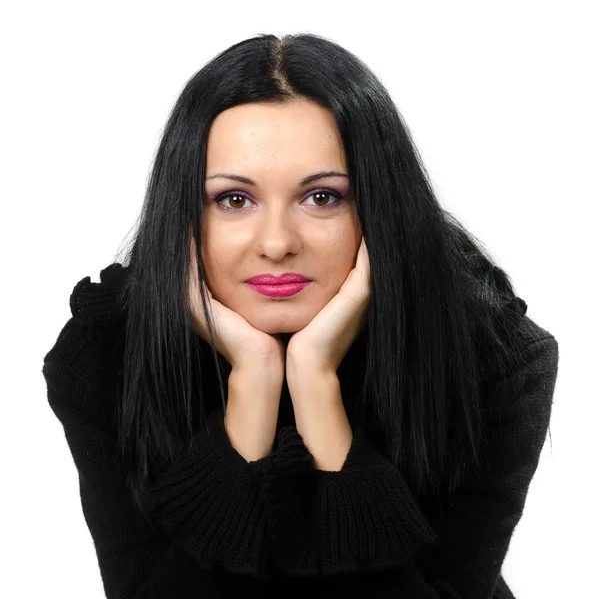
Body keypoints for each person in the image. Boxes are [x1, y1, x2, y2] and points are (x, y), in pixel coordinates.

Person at [42, 32, 559, 599]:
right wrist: (253, 387)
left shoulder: (494, 354)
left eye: (322, 197)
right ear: (185, 213)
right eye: (234, 200)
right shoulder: (104, 355)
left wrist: (317, 392)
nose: (277, 243)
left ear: (379, 205)